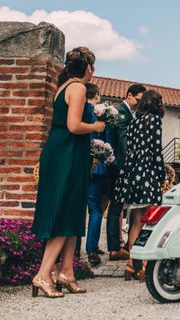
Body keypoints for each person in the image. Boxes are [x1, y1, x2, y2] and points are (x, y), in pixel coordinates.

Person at [31, 47, 105, 298]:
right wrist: (96, 125)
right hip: (66, 154)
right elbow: (74, 125)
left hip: (66, 152)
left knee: (74, 211)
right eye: (93, 67)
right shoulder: (78, 88)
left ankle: (66, 272)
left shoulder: (63, 87)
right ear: (88, 68)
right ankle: (43, 274)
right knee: (64, 211)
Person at [114, 89, 166, 280]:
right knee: (148, 220)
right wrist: (161, 174)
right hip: (146, 172)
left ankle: (131, 265)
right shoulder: (154, 120)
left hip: (132, 171)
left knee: (136, 220)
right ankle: (139, 264)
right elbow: (156, 149)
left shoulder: (135, 121)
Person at [106, 83, 146, 261]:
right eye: (138, 99)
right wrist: (126, 166)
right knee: (116, 206)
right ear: (130, 95)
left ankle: (118, 245)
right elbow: (122, 141)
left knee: (118, 206)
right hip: (119, 166)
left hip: (120, 165)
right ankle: (114, 248)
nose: (139, 103)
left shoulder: (127, 112)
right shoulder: (122, 112)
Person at [84, 83, 110, 267]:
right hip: (96, 165)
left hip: (78, 163)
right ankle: (91, 248)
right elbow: (105, 139)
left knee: (77, 208)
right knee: (95, 209)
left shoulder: (77, 110)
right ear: (97, 96)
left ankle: (73, 249)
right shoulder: (98, 114)